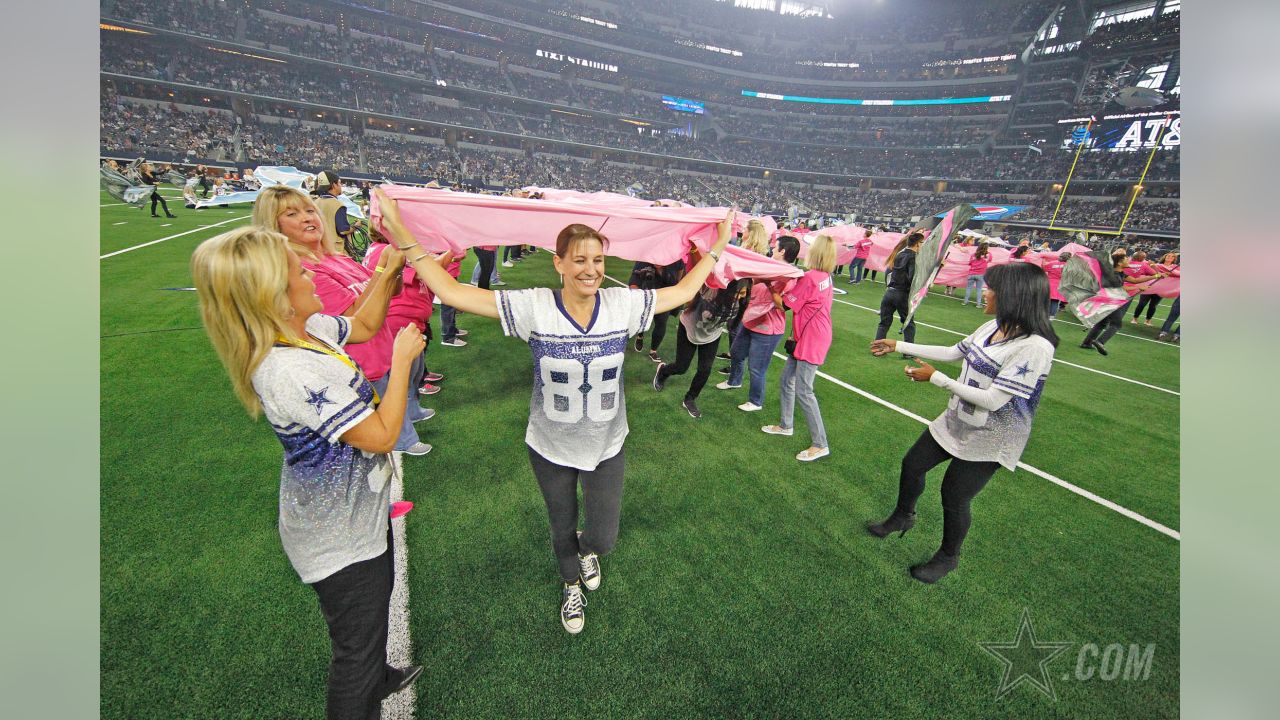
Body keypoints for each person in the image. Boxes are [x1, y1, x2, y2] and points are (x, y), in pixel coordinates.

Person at [377, 189, 735, 633]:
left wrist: (717, 246)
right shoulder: (534, 306)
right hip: (549, 445)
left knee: (603, 536)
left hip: (607, 443)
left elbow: (682, 290)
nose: (591, 270)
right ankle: (570, 583)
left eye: (598, 261)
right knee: (560, 523)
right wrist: (402, 234)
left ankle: (586, 554)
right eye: (580, 260)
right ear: (560, 263)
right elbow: (451, 290)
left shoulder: (623, 305)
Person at [191, 226, 425, 719]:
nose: (309, 271)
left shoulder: (303, 330)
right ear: (273, 294)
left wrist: (390, 270)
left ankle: (379, 677)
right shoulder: (289, 370)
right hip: (335, 538)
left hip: (353, 516)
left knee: (373, 617)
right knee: (354, 655)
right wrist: (403, 361)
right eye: (298, 270)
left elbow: (360, 326)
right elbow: (382, 435)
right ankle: (365, 689)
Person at [867, 262, 1058, 584]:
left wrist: (936, 379)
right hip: (958, 418)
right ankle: (902, 517)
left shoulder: (1035, 347)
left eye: (991, 288)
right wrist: (898, 344)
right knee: (913, 464)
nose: (985, 291)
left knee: (954, 496)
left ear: (1012, 295)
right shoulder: (992, 327)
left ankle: (948, 557)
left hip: (994, 435)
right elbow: (954, 352)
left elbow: (994, 400)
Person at [251, 185, 433, 456]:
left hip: (379, 347)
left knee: (390, 409)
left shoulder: (336, 258)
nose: (307, 218)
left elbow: (372, 310)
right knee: (377, 431)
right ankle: (405, 443)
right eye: (292, 213)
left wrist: (389, 268)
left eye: (310, 210)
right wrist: (386, 270)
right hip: (363, 362)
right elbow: (357, 315)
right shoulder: (291, 364)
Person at [760, 233, 836, 462]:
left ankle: (820, 444)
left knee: (804, 390)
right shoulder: (825, 276)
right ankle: (786, 425)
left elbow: (784, 305)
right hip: (810, 335)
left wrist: (768, 285)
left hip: (812, 337)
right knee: (787, 381)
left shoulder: (811, 277)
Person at [718, 231, 800, 411]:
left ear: (783, 251)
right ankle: (734, 381)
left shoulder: (791, 276)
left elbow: (783, 306)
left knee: (757, 367)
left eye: (775, 247)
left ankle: (756, 402)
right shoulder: (768, 266)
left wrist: (769, 283)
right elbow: (755, 283)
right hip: (751, 320)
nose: (772, 248)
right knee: (737, 353)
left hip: (768, 328)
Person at [653, 272, 746, 419]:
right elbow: (701, 270)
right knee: (681, 367)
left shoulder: (740, 303)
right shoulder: (711, 289)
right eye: (740, 292)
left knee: (705, 370)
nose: (742, 295)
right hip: (689, 328)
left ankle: (690, 398)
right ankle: (663, 371)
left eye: (744, 292)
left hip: (712, 335)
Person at [1081, 250, 1165, 356]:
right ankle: (1100, 342)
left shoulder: (1120, 273)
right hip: (1110, 301)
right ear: (1120, 263)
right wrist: (1138, 287)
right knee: (1116, 324)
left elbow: (1134, 280)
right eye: (1126, 259)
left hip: (1109, 301)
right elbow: (1120, 288)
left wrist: (1156, 276)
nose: (1128, 260)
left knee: (1102, 323)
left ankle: (1086, 343)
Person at [874, 231, 925, 349]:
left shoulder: (899, 255)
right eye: (922, 243)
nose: (922, 245)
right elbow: (912, 278)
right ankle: (908, 352)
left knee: (884, 322)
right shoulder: (913, 257)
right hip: (902, 294)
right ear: (917, 244)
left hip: (889, 293)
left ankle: (877, 346)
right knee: (908, 324)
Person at [314, 170, 355, 257]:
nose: (341, 186)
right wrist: (355, 226)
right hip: (335, 250)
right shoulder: (337, 204)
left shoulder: (315, 202)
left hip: (320, 248)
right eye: (339, 183)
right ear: (333, 185)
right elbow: (343, 230)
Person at [1132, 252, 1177, 325]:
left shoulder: (1174, 268)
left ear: (1174, 259)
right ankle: (1135, 318)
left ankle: (1148, 320)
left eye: (1172, 257)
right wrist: (1152, 265)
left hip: (1161, 289)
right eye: (1168, 256)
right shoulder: (1157, 265)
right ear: (1165, 257)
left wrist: (1171, 273)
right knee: (1142, 303)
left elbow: (1178, 274)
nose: (1169, 257)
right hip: (1149, 286)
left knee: (1153, 305)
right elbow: (1149, 270)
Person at [962, 242, 990, 307]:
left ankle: (965, 302)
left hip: (971, 273)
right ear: (987, 248)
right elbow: (989, 261)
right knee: (979, 289)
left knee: (968, 288)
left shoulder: (973, 255)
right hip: (980, 274)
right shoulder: (988, 255)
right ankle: (978, 304)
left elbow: (970, 263)